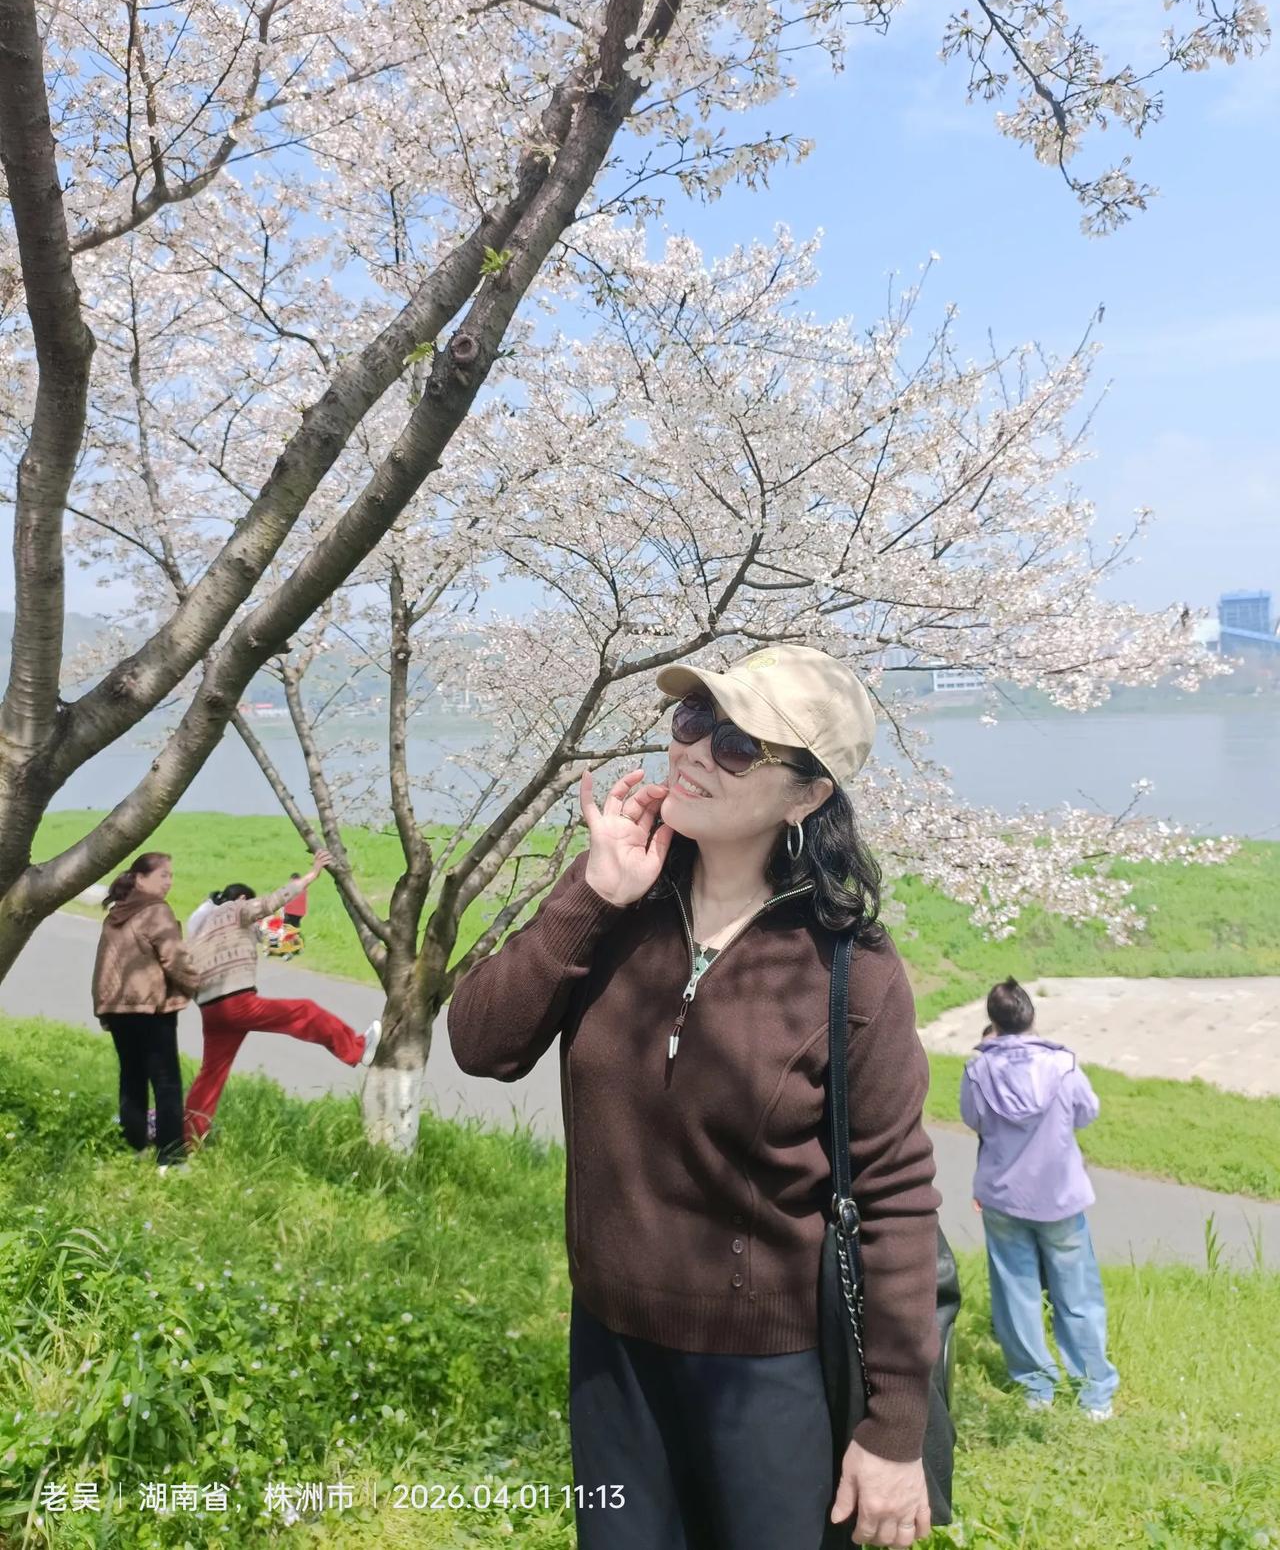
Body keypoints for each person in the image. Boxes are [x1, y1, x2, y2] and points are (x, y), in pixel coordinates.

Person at [448, 645, 942, 1550]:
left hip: (769, 1378)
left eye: (738, 745)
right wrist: (592, 893)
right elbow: (481, 1045)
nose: (695, 752)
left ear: (806, 796)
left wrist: (894, 1429)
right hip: (611, 1354)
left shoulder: (848, 970)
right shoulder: (618, 908)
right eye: (693, 721)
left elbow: (896, 1197)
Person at [960, 979, 1119, 1421]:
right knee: (1078, 1296)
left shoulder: (978, 1071)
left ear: (993, 1021)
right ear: (1031, 1015)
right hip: (1059, 1194)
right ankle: (1094, 1394)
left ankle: (1036, 1388)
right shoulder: (1063, 1066)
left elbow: (974, 1119)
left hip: (1003, 1196)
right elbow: (1087, 1111)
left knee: (1017, 1295)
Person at [183, 850, 381, 1142]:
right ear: (242, 899)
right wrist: (311, 875)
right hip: (236, 1001)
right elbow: (269, 903)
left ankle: (187, 1140)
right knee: (305, 1012)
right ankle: (357, 1049)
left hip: (210, 1010)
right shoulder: (236, 909)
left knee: (210, 1075)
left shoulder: (201, 927)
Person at [92, 851, 200, 1169]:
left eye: (171, 876)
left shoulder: (117, 913)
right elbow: (174, 958)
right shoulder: (156, 911)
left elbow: (103, 965)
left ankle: (134, 1147)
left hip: (117, 1009)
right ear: (140, 878)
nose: (169, 882)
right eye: (163, 875)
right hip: (151, 1008)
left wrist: (104, 1008)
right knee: (166, 1083)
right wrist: (196, 985)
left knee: (131, 1077)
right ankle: (171, 1158)